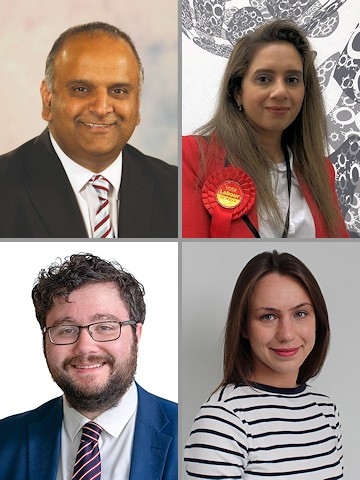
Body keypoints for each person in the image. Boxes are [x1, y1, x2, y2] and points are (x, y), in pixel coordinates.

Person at [0, 253, 177, 479]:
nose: (85, 347)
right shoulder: (4, 441)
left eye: (105, 327)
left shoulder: (186, 431)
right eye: (66, 330)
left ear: (137, 334)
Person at [0, 22, 177, 238]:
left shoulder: (175, 188)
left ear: (137, 104)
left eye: (119, 91)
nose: (102, 109)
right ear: (48, 99)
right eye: (81, 89)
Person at [182, 20, 349, 238]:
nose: (280, 92)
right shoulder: (192, 156)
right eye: (264, 79)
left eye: (292, 79)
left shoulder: (322, 170)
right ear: (237, 91)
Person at [184, 250, 343, 478]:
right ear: (244, 327)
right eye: (268, 317)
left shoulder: (326, 412)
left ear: (317, 320)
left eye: (300, 313)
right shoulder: (222, 419)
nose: (287, 334)